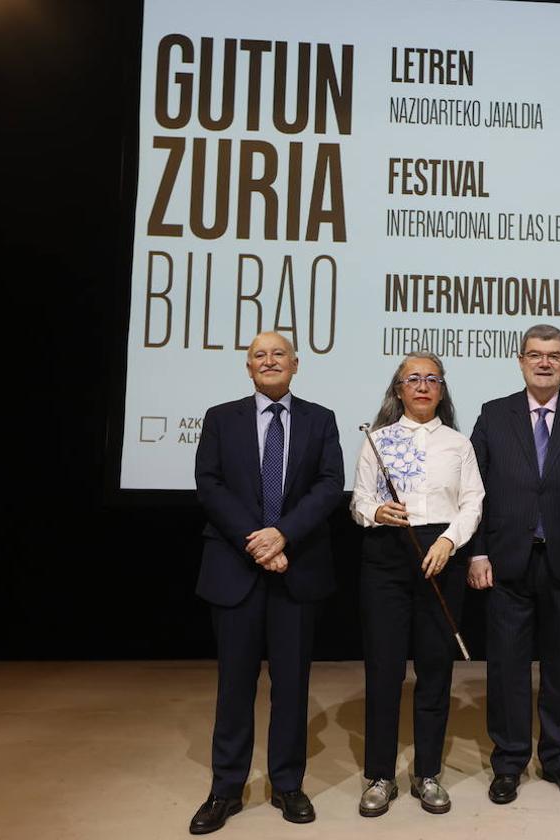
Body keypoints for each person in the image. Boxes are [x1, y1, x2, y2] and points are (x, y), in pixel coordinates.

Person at [189, 331, 344, 834]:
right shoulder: (220, 418)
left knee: (292, 684)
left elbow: (328, 485)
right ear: (248, 367)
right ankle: (225, 788)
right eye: (260, 355)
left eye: (279, 354)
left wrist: (283, 536)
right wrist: (255, 541)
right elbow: (208, 483)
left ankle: (287, 783)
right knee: (233, 684)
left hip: (297, 568)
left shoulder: (321, 419)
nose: (270, 361)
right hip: (234, 568)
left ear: (296, 365)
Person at [467, 323, 560, 804]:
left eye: (554, 355)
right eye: (535, 354)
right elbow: (472, 491)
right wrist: (476, 550)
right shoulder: (494, 415)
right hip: (507, 561)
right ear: (520, 360)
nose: (544, 362)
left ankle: (558, 759)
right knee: (507, 668)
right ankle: (509, 762)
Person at [349, 352, 484, 817]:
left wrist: (449, 542)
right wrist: (375, 511)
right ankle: (380, 775)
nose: (423, 386)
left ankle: (428, 773)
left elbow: (473, 503)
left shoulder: (459, 444)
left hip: (439, 556)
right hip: (386, 556)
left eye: (432, 379)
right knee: (384, 671)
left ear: (442, 390)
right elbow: (359, 499)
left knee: (434, 669)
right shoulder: (377, 440)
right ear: (399, 389)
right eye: (413, 379)